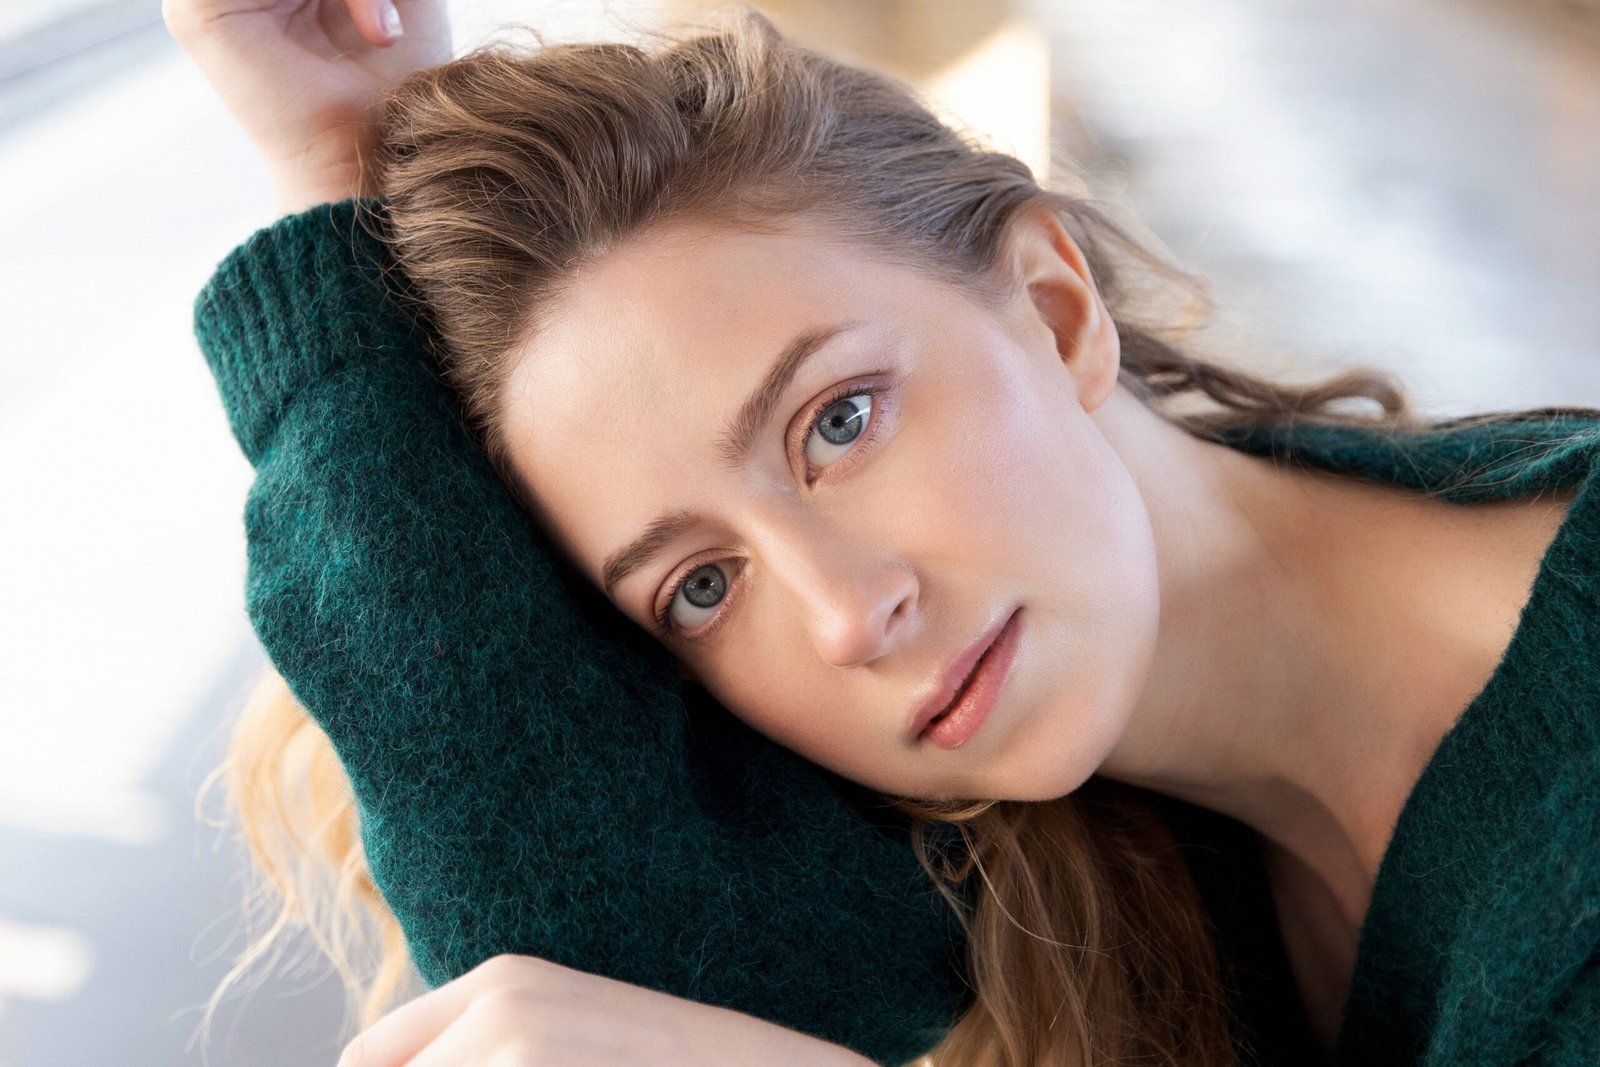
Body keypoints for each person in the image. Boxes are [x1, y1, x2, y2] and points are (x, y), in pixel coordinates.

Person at [167, 1, 1600, 1064]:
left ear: (1054, 309)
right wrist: (336, 172)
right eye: (703, 585)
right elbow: (594, 961)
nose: (847, 616)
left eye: (839, 423)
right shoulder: (1070, 842)